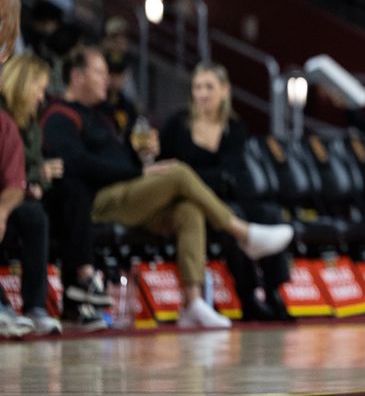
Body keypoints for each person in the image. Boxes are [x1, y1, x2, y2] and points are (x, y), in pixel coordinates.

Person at [42, 46, 295, 329]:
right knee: (177, 171)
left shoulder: (101, 115)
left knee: (188, 211)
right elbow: (78, 164)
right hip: (97, 201)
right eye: (99, 72)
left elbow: (116, 159)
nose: (107, 79)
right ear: (77, 76)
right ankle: (243, 233)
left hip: (127, 194)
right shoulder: (59, 115)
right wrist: (139, 170)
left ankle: (193, 302)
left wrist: (139, 155)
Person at [160, 62, 292, 322]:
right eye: (198, 87)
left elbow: (230, 172)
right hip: (192, 203)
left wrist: (198, 175)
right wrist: (209, 178)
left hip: (227, 195)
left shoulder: (234, 127)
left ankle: (274, 291)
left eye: (209, 87)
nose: (202, 93)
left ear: (224, 90)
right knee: (233, 216)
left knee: (271, 214)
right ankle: (247, 296)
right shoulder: (177, 124)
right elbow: (168, 169)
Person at [0, 53, 60, 336]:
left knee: (35, 215)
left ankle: (35, 306)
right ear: (24, 84)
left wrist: (33, 184)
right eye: (39, 88)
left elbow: (24, 174)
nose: (41, 97)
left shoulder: (28, 127)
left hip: (10, 198)